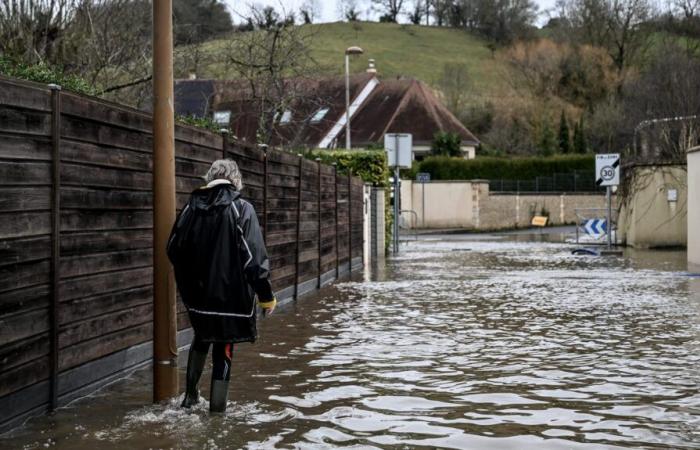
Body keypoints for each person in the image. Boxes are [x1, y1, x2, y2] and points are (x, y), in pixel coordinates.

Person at [167, 159, 276, 413]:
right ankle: (217, 414)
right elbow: (254, 259)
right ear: (235, 180)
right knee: (224, 347)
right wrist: (266, 296)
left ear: (210, 177)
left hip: (199, 300)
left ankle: (190, 398)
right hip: (231, 300)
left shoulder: (190, 208)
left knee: (202, 337)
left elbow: (173, 248)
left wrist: (192, 282)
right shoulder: (242, 208)